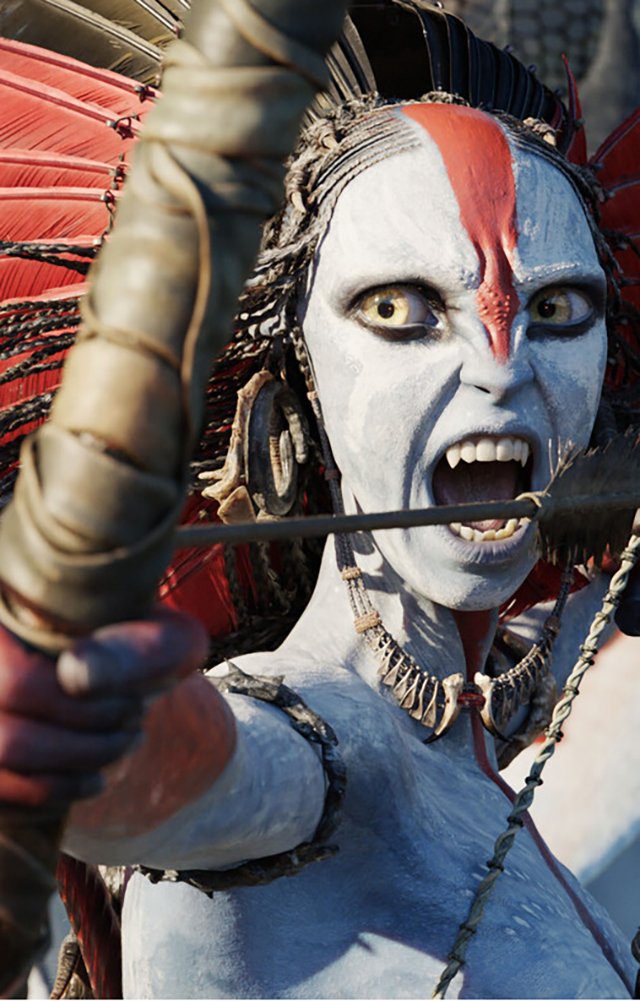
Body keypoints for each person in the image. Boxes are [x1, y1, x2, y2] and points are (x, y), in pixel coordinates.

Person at [1, 7, 640, 1000]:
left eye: (556, 309)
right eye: (397, 308)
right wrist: (70, 698)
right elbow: (172, 776)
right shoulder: (310, 746)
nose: (498, 369)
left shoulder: (457, 732)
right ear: (299, 375)